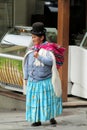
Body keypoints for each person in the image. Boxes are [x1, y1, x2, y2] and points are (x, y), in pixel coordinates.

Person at [23, 22, 63, 126]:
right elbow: (27, 64)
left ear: (42, 37)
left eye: (34, 37)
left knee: (48, 102)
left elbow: (50, 62)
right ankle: (36, 120)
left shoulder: (48, 50)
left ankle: (51, 117)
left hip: (45, 81)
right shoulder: (32, 50)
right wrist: (26, 77)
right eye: (32, 37)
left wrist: (39, 57)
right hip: (33, 81)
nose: (33, 39)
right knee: (35, 103)